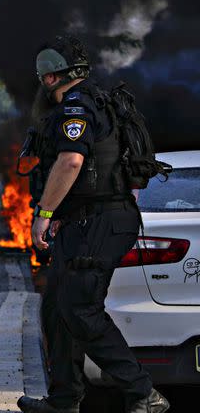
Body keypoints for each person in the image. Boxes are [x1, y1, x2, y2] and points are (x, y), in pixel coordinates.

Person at [17, 36, 169, 413]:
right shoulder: (96, 100)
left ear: (49, 78)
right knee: (57, 307)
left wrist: (44, 214)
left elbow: (71, 162)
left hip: (97, 222)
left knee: (81, 308)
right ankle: (64, 399)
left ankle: (142, 392)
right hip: (85, 220)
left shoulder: (77, 106)